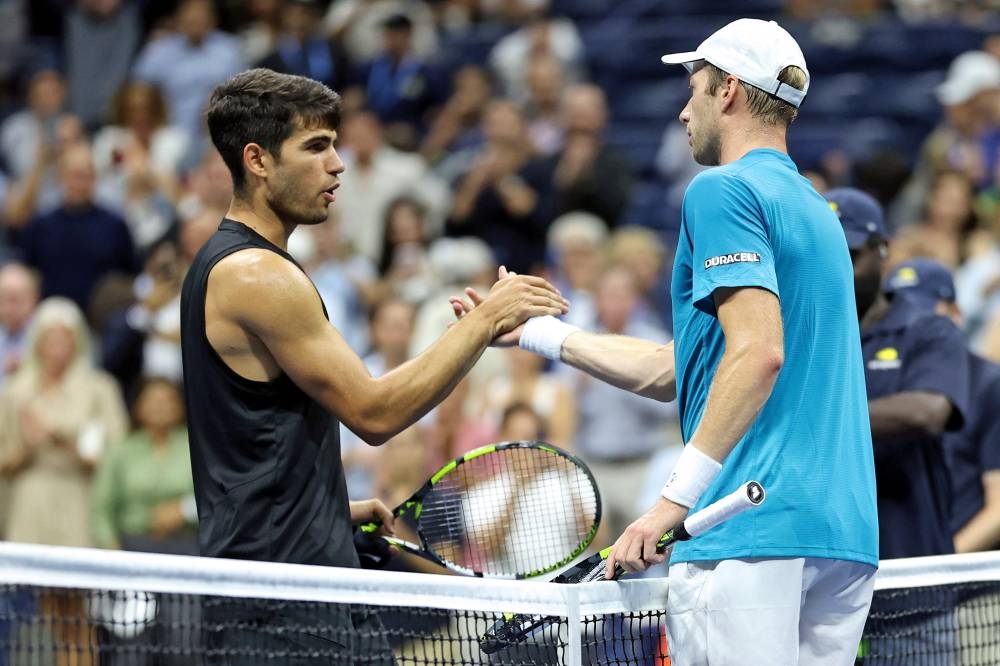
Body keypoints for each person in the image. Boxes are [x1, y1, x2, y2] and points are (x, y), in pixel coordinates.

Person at [453, 19, 878, 664]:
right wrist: (540, 334)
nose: (682, 111)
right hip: (840, 533)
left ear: (729, 92)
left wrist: (668, 506)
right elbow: (687, 369)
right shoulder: (818, 212)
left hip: (744, 527)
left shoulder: (721, 189)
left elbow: (757, 355)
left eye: (695, 89)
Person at [180, 68, 567, 663]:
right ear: (257, 160)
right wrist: (484, 321)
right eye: (316, 147)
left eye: (334, 144)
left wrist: (325, 507)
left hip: (286, 585)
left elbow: (256, 434)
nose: (337, 164)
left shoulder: (235, 265)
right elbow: (375, 412)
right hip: (286, 608)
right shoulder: (257, 275)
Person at [829, 190, 968, 665]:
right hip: (820, 599)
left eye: (849, 255)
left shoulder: (927, 330)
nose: (838, 269)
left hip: (913, 592)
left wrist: (813, 420)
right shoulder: (800, 330)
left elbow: (929, 410)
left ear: (881, 251)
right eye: (826, 254)